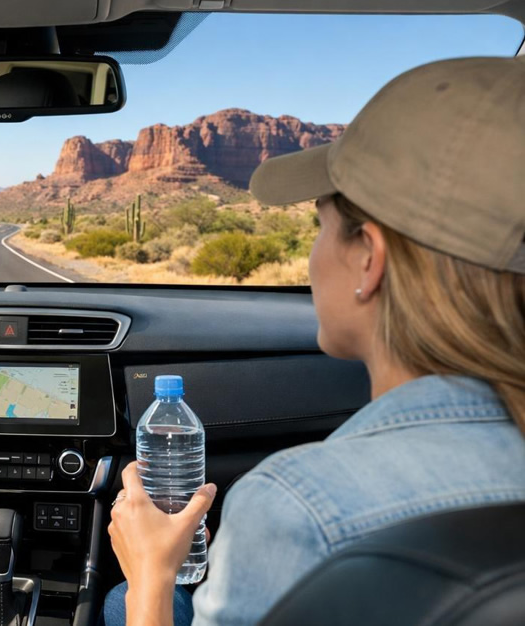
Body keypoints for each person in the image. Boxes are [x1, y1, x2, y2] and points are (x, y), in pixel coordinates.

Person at [103, 55, 525, 626]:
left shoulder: (298, 508)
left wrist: (149, 577)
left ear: (369, 259)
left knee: (121, 600)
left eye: (319, 226)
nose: (313, 253)